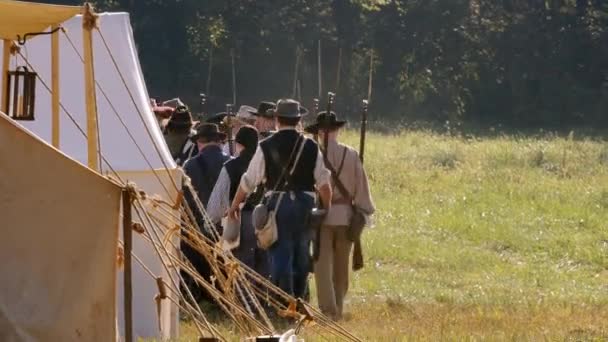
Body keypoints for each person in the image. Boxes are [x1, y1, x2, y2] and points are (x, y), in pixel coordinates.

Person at [227, 99, 332, 299]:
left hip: (277, 207)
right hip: (305, 206)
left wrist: (235, 204)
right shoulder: (310, 146)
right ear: (299, 120)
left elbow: (249, 180)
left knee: (279, 254)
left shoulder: (265, 145)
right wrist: (327, 209)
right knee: (301, 254)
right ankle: (299, 300)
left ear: (277, 120)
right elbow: (324, 183)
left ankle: (282, 302)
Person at [304, 111, 375, 321]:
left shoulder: (313, 155)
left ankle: (328, 311)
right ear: (337, 131)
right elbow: (362, 190)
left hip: (321, 217)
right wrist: (362, 214)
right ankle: (338, 308)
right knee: (341, 267)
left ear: (320, 132)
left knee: (322, 266)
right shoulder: (352, 154)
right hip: (346, 218)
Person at [181, 123, 230, 302]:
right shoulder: (230, 162)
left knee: (197, 257)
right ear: (218, 141)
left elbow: (184, 197)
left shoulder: (190, 165)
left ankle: (198, 293)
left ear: (200, 143)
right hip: (224, 222)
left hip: (197, 222)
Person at [207, 125, 260, 267]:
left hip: (237, 221)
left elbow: (217, 202)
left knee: (238, 270)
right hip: (264, 220)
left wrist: (209, 223)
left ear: (239, 144)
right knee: (263, 272)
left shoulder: (231, 166)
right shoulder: (264, 165)